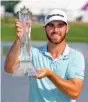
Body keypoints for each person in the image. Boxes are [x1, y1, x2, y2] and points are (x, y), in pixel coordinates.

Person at [4, 9, 85, 102]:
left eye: (60, 25)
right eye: (51, 25)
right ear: (44, 29)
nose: (55, 30)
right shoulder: (33, 53)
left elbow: (74, 92)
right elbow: (9, 68)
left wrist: (50, 74)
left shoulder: (75, 56)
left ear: (67, 29)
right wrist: (19, 40)